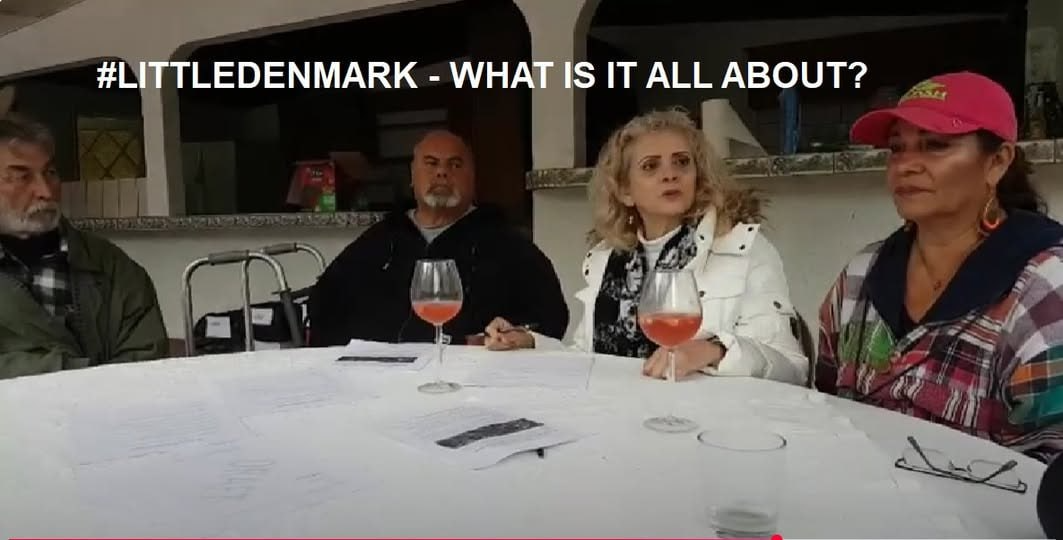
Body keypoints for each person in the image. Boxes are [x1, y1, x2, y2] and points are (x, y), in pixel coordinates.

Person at [816, 72, 1063, 463]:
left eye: (935, 145)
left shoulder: (1044, 289)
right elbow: (827, 401)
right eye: (897, 148)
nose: (905, 166)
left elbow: (1052, 467)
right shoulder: (862, 276)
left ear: (997, 162)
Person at [483, 110, 808, 385]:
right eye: (651, 166)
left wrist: (715, 350)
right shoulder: (607, 258)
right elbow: (590, 358)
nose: (670, 175)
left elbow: (792, 369)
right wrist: (530, 343)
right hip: (621, 417)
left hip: (708, 424)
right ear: (625, 191)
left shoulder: (742, 247)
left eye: (682, 162)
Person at [307, 130, 569, 346]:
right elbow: (324, 306)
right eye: (431, 163)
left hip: (472, 378)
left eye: (455, 164)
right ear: (413, 175)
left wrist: (520, 338)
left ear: (472, 177)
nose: (442, 172)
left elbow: (550, 318)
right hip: (379, 375)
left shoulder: (507, 244)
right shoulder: (380, 238)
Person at [0, 114, 168, 379]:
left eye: (50, 173)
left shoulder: (112, 266)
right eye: (22, 177)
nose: (46, 191)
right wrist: (69, 371)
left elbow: (148, 363)